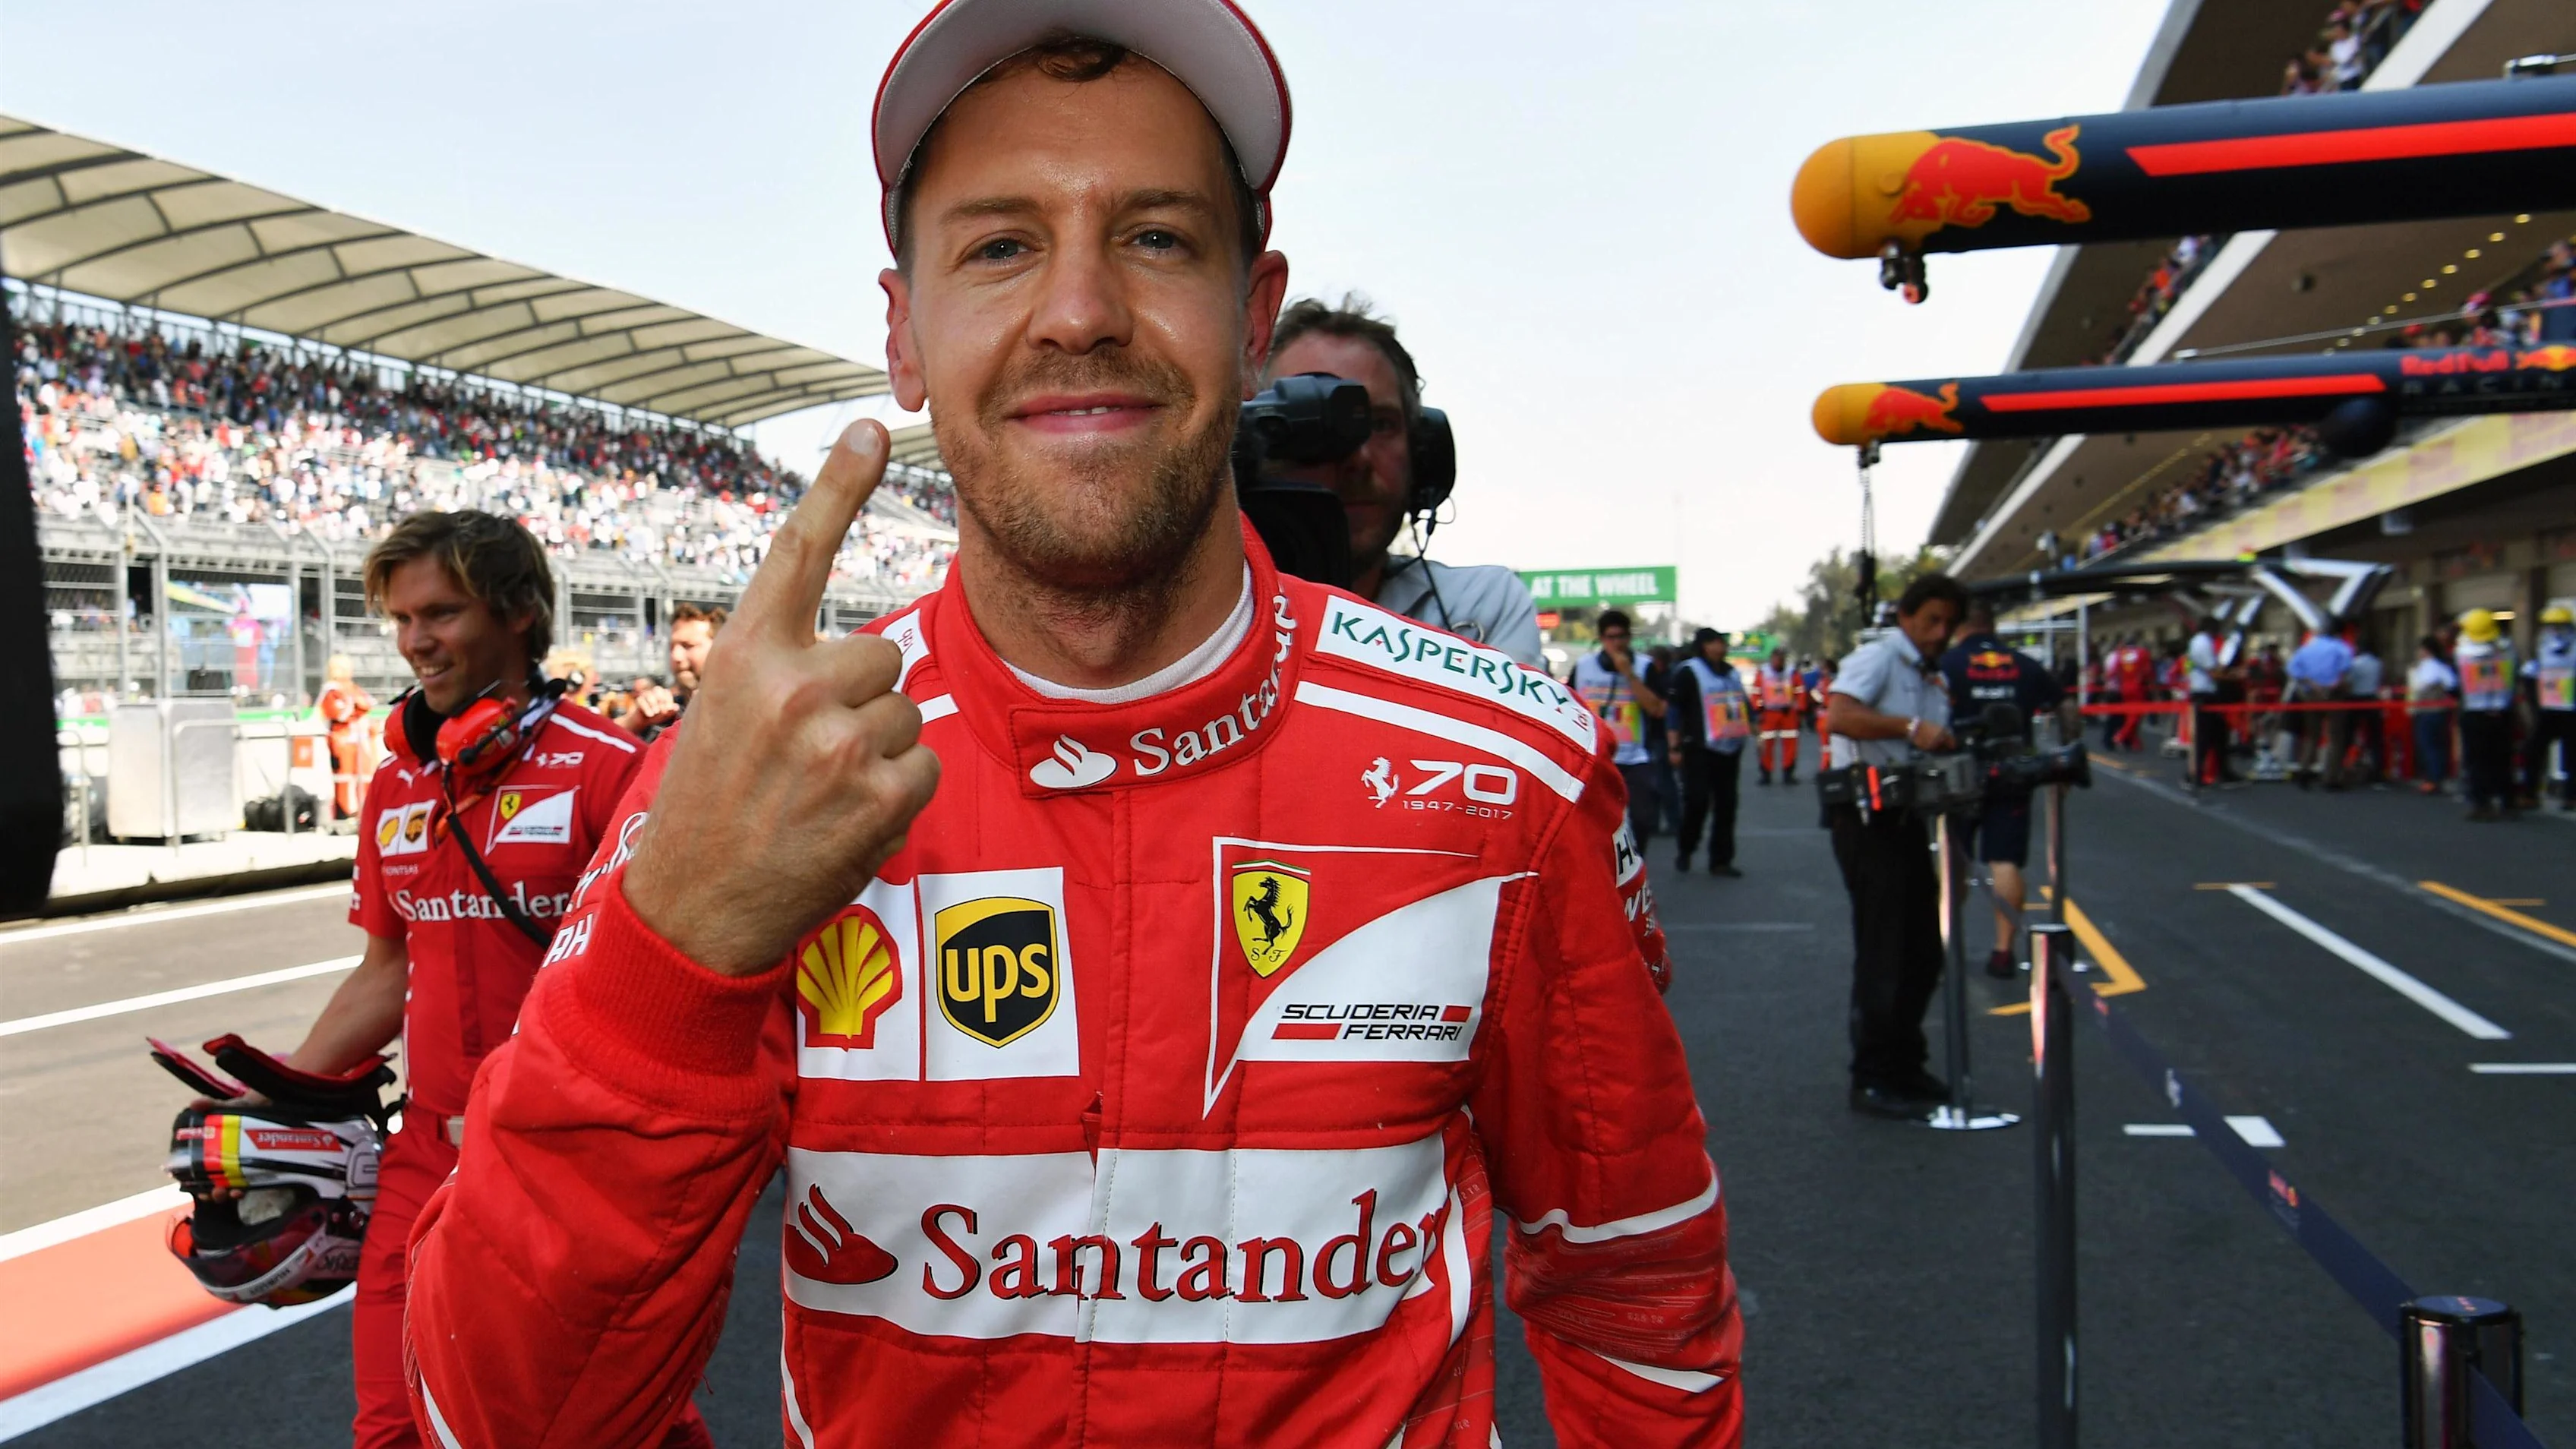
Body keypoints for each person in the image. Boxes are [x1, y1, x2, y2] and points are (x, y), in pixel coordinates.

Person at [403, 12, 1741, 1447]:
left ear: (1250, 310)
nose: (1080, 310)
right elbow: (500, 1417)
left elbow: (1638, 1296)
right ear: (905, 333)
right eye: (998, 246)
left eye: (1157, 236)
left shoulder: (1502, 771)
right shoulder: (761, 778)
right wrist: (672, 960)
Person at [269, 512, 644, 1449]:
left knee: (604, 1428)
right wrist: (270, 1099)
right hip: (424, 1161)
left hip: (572, 1167)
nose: (414, 642)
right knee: (391, 1428)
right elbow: (384, 972)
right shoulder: (400, 783)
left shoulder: (614, 772)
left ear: (519, 611)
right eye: (400, 620)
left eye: (440, 612)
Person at [1264, 295, 1543, 666]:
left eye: (1380, 424)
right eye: (1315, 422)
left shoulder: (1478, 608)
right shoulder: (1184, 615)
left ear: (1423, 451)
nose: (1358, 458)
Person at [1824, 573, 1965, 1119]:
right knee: (1886, 947)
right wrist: (1910, 728)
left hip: (1905, 812)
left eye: (1949, 623)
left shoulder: (1930, 674)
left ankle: (1906, 1060)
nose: (1940, 632)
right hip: (1864, 814)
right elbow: (1839, 714)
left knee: (1922, 948)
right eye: (1932, 619)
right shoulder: (1882, 655)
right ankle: (1874, 1075)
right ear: (1907, 616)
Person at [1938, 602, 2074, 980]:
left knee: (1955, 863)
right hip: (2013, 772)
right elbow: (2066, 707)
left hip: (1959, 775)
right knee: (2004, 862)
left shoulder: (1948, 664)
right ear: (1992, 627)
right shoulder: (2025, 664)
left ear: (1958, 626)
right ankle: (2003, 952)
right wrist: (2064, 761)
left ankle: (1946, 945)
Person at [1574, 607, 1672, 844]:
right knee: (1594, 820)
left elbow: (1657, 709)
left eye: (1621, 637)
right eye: (1611, 637)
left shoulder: (1644, 667)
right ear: (1601, 639)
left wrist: (1629, 675)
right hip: (1596, 756)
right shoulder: (1584, 666)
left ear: (1629, 639)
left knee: (1641, 818)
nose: (1616, 643)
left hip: (1635, 756)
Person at [1667, 627, 1751, 876]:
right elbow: (1674, 711)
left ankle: (1721, 859)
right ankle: (1686, 848)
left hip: (1729, 747)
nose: (1723, 646)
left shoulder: (1731, 672)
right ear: (1705, 645)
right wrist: (1674, 745)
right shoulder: (1689, 672)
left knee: (1727, 804)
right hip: (1699, 749)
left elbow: (1742, 703)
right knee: (1698, 801)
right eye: (1717, 642)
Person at [617, 602, 725, 741]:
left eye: (688, 646)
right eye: (672, 647)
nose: (676, 656)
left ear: (722, 648)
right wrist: (634, 721)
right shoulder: (662, 716)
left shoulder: (747, 714)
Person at [2455, 608, 2518, 820]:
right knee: (2502, 759)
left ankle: (2481, 803)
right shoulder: (2507, 649)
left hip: (2475, 712)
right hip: (2502, 711)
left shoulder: (2464, 651)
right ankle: (2507, 802)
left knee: (2476, 760)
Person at [2284, 621, 2353, 790]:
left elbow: (2292, 668)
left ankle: (2305, 771)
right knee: (2335, 737)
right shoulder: (2341, 647)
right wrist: (2335, 682)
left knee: (2312, 735)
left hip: (2311, 694)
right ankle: (2331, 778)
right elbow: (2346, 669)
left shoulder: (2308, 647)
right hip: (2333, 694)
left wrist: (2310, 682)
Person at [2519, 603, 2574, 810]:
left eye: (2560, 625)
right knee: (2533, 751)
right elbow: (2529, 674)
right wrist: (2535, 705)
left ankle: (2571, 797)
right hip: (2549, 709)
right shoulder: (2542, 646)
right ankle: (2530, 793)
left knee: (2572, 755)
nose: (2555, 630)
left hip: (2571, 709)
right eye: (2552, 625)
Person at [315, 654, 376, 820]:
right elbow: (339, 713)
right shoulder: (331, 690)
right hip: (340, 740)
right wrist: (355, 706)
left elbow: (367, 704)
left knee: (364, 776)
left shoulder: (352, 687)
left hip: (360, 740)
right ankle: (343, 814)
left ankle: (365, 812)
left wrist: (356, 706)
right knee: (343, 777)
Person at [2186, 616, 2243, 788]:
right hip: (2204, 695)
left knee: (2219, 735)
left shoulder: (2198, 642)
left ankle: (2222, 772)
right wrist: (2235, 675)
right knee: (2205, 737)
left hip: (2204, 693)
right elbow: (2213, 672)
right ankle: (2194, 775)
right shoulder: (2203, 643)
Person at [2407, 634, 2459, 794]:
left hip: (2425, 710)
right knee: (2439, 745)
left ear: (2425, 650)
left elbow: (2419, 686)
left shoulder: (2425, 667)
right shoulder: (2442, 666)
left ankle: (2432, 779)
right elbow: (2452, 684)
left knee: (2428, 745)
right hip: (2441, 711)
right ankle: (2438, 777)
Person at [2343, 630, 2386, 785]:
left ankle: (2344, 767)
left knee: (2348, 735)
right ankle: (2378, 770)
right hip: (2373, 699)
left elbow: (2348, 681)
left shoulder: (2355, 663)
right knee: (2375, 738)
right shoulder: (2378, 663)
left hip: (2356, 699)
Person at [1754, 646, 1801, 785]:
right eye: (1777, 659)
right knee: (1766, 745)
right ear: (1771, 659)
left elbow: (1800, 691)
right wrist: (1758, 710)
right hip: (1768, 714)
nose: (1779, 662)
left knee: (1791, 744)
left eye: (1781, 659)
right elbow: (1756, 693)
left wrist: (1800, 709)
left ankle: (1788, 773)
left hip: (1788, 714)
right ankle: (1766, 774)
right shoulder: (1763, 673)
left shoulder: (1792, 673)